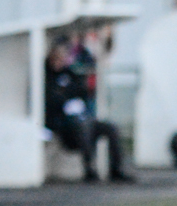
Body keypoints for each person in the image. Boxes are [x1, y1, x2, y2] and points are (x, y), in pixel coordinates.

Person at [44, 39, 132, 182]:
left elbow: (82, 91)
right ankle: (90, 169)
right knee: (83, 126)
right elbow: (50, 98)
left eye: (62, 58)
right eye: (57, 58)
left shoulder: (70, 74)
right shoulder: (45, 76)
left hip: (81, 119)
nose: (59, 61)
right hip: (62, 124)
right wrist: (64, 103)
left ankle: (116, 169)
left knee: (111, 128)